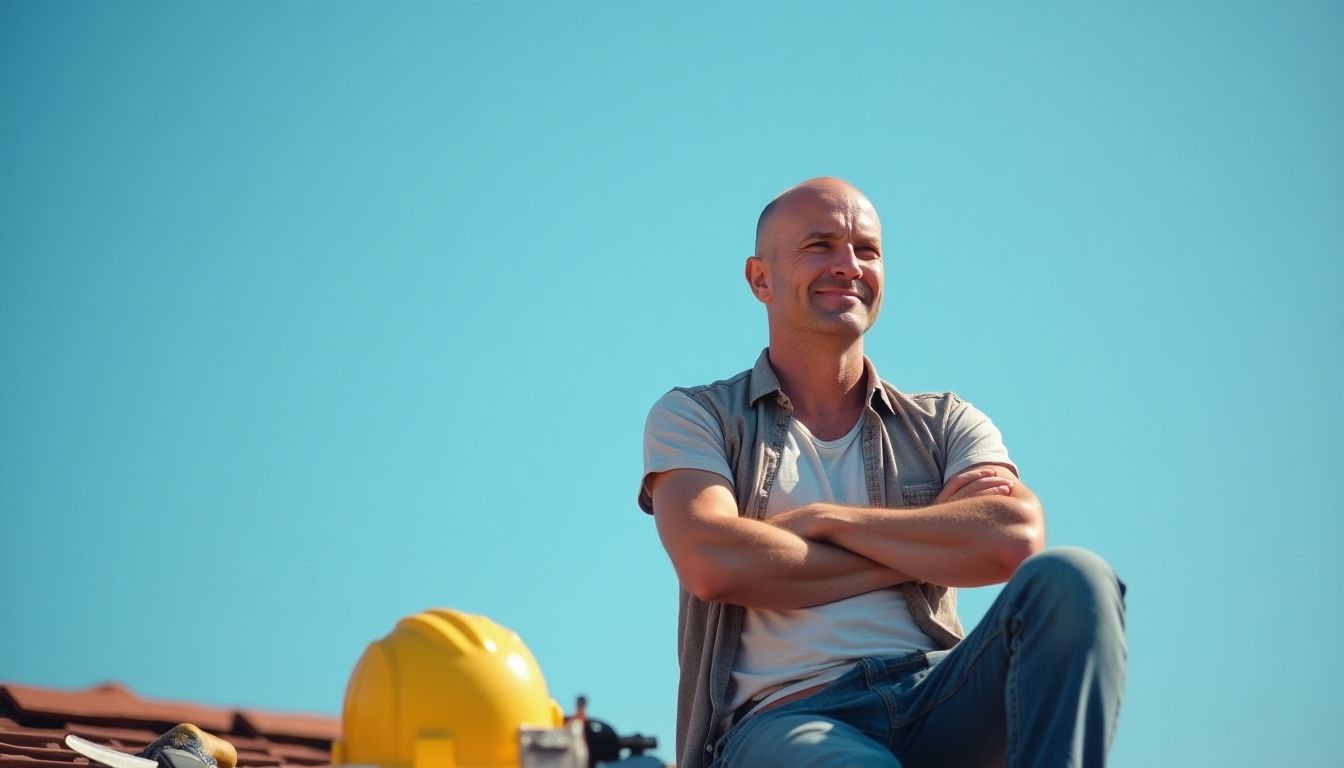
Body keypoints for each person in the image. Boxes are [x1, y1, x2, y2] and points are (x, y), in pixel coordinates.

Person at [638, 177, 1126, 768]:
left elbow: (1013, 538)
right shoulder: (699, 416)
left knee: (1075, 578)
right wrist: (926, 548)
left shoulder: (945, 421)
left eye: (866, 250)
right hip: (788, 719)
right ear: (760, 278)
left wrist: (825, 521)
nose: (848, 265)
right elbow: (713, 560)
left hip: (937, 695)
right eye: (819, 245)